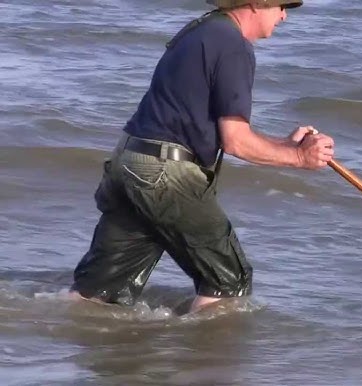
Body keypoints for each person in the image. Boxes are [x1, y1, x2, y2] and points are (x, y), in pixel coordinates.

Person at [70, 0, 334, 313]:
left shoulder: (200, 32)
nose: (284, 15)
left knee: (98, 290)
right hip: (164, 175)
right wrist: (301, 159)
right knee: (229, 284)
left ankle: (60, 341)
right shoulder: (234, 46)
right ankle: (204, 361)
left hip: (130, 162)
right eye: (281, 5)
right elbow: (236, 141)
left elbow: (194, 123)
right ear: (256, 4)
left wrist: (285, 146)